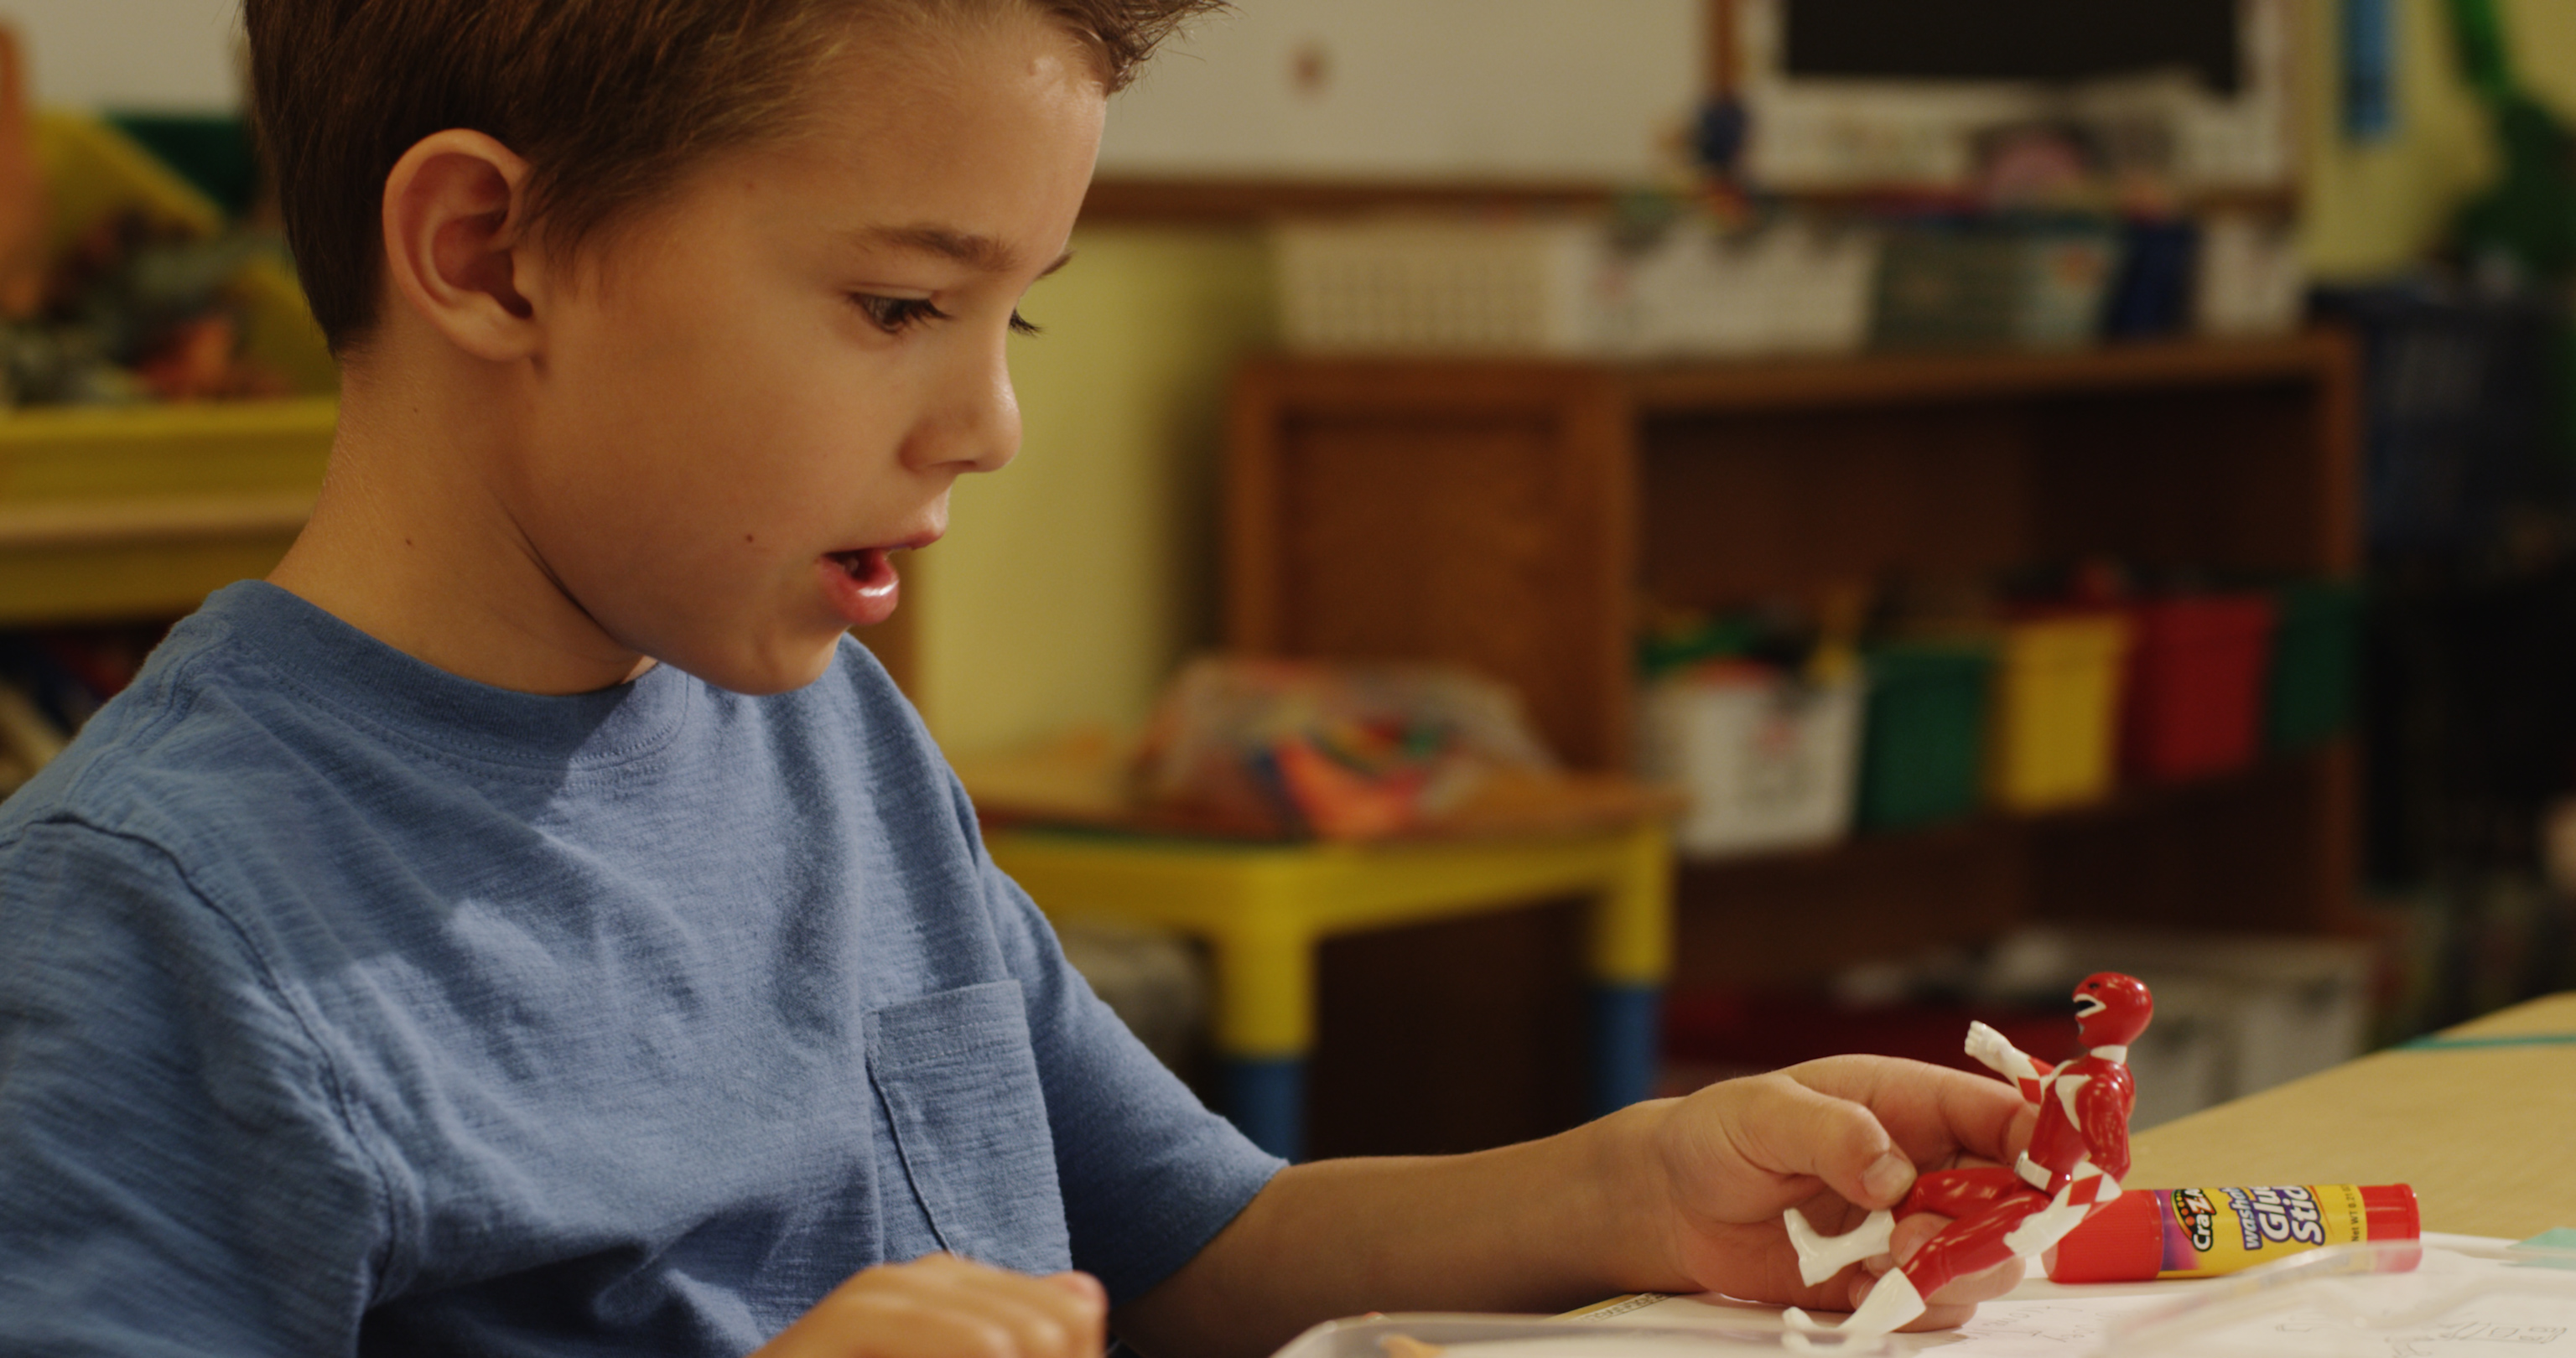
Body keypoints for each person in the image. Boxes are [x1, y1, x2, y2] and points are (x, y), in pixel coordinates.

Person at [0, 3, 2033, 1355]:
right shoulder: (151, 922)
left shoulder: (810, 730)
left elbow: (1197, 1248)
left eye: (1016, 321)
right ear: (488, 253)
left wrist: (1629, 1186)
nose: (985, 423)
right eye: (897, 303)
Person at [1782, 973, 2153, 1341]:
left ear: (2116, 1018)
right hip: (2022, 1184)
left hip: (2039, 1203)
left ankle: (1847, 1340)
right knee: (1924, 1192)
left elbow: (2114, 1164)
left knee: (1936, 1256)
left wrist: (2055, 1222)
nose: (2081, 1017)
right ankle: (1826, 1256)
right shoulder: (2086, 1072)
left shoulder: (2102, 1088)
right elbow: (2048, 1088)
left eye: (2090, 1008)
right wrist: (2004, 1055)